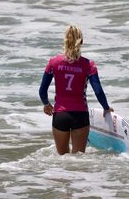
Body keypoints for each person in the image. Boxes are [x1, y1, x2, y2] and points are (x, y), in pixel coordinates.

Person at [39, 25, 114, 155]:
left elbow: (42, 90)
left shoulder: (53, 62)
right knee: (77, 161)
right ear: (82, 42)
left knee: (63, 160)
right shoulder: (88, 65)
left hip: (60, 116)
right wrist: (106, 108)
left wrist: (46, 104)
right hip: (80, 116)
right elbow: (98, 91)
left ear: (65, 41)